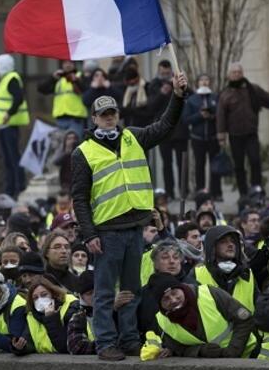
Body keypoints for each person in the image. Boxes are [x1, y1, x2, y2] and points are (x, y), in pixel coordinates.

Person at [71, 70, 188, 361]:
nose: (109, 118)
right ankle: (106, 343)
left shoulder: (133, 137)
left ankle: (128, 340)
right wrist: (89, 235)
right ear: (94, 118)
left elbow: (164, 126)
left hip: (135, 227)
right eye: (104, 114)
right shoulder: (83, 152)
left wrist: (177, 96)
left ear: (117, 115)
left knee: (132, 290)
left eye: (112, 113)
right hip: (107, 232)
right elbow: (80, 198)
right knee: (105, 293)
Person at [148, 272, 256, 358]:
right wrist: (199, 351)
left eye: (174, 293)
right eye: (166, 299)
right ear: (160, 305)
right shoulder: (162, 321)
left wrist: (233, 351)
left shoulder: (210, 293)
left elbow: (245, 319)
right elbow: (178, 349)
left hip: (247, 354)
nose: (173, 300)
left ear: (181, 288)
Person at [216, 62, 269, 197]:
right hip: (235, 135)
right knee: (239, 165)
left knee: (255, 160)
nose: (237, 74)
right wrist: (221, 135)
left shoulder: (253, 89)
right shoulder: (225, 94)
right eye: (234, 72)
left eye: (239, 72)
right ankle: (243, 193)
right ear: (229, 75)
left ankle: (256, 188)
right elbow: (221, 115)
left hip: (251, 133)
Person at [149, 61, 189, 199]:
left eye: (168, 74)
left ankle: (184, 192)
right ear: (159, 72)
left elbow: (189, 96)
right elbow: (151, 107)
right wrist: (162, 93)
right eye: (163, 74)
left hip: (181, 129)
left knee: (182, 163)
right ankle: (170, 192)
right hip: (163, 131)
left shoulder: (178, 81)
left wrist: (182, 85)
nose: (166, 76)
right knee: (167, 164)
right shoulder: (154, 85)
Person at [195, 225, 256, 313]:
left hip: (245, 326)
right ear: (212, 247)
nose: (230, 244)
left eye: (233, 241)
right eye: (223, 241)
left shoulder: (247, 274)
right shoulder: (197, 274)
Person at [0, 54, 29, 199]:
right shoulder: (5, 79)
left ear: (3, 66)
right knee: (8, 158)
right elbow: (5, 101)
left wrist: (9, 113)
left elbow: (18, 98)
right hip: (3, 125)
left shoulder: (11, 79)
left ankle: (19, 187)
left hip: (9, 125)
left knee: (13, 157)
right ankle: (10, 189)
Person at [184, 74, 222, 199]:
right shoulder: (192, 99)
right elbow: (186, 119)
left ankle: (216, 192)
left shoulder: (215, 97)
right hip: (198, 138)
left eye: (207, 80)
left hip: (212, 137)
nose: (204, 82)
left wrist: (212, 116)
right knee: (199, 165)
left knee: (215, 165)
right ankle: (200, 191)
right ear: (197, 83)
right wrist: (200, 115)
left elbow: (221, 115)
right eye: (202, 80)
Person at [24, 275, 79, 354]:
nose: (40, 300)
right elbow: (29, 342)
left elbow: (64, 346)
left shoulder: (70, 306)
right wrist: (19, 348)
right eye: (35, 298)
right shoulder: (31, 315)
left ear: (53, 294)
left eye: (44, 295)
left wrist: (51, 318)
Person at [39, 61, 87, 136]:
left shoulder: (80, 76)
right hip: (61, 118)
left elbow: (86, 89)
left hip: (76, 118)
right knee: (62, 144)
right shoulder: (58, 79)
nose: (67, 65)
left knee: (74, 143)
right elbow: (42, 89)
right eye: (65, 63)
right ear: (62, 65)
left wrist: (76, 81)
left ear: (74, 64)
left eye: (70, 63)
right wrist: (52, 78)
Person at [66, 270, 97, 355]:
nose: (95, 296)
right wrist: (105, 345)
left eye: (97, 291)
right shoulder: (78, 317)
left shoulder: (116, 311)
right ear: (82, 297)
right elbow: (76, 347)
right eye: (89, 293)